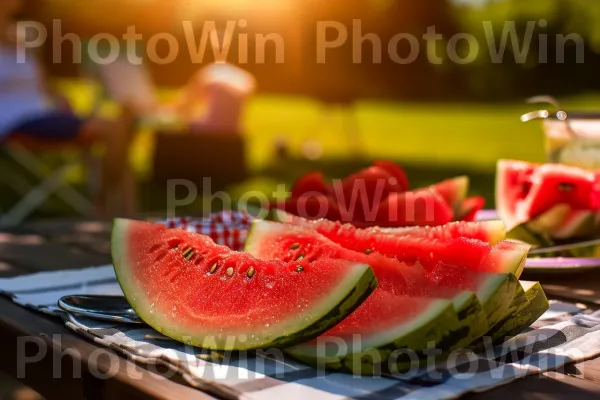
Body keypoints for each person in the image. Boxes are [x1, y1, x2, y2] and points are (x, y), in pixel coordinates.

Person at [0, 0, 136, 216]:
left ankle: (120, 208)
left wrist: (60, 98)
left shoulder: (21, 39)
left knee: (120, 126)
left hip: (42, 115)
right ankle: (102, 205)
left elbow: (41, 83)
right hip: (12, 120)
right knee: (113, 129)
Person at [175, 62, 256, 135]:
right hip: (234, 129)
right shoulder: (238, 79)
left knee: (187, 123)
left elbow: (192, 96)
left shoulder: (209, 77)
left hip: (212, 128)